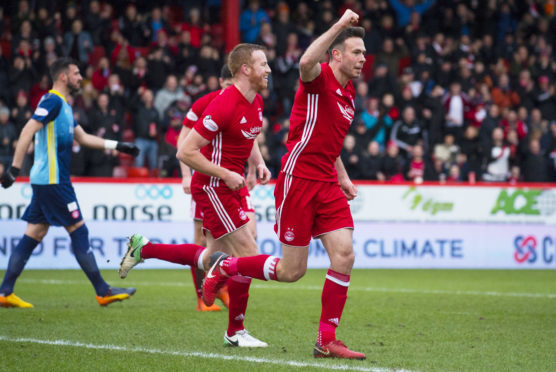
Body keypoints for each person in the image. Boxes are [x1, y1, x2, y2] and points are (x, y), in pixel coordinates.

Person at [202, 10, 366, 359]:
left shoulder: (349, 93)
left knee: (345, 254)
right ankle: (227, 266)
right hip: (299, 179)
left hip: (326, 182)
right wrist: (339, 25)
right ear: (337, 54)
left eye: (364, 53)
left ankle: (326, 339)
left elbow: (328, 140)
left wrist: (342, 176)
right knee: (292, 271)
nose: (363, 59)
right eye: (356, 52)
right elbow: (305, 60)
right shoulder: (319, 77)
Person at [119, 44, 272, 347]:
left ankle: (143, 249)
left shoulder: (256, 102)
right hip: (216, 187)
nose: (269, 69)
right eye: (263, 64)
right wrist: (224, 173)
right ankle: (235, 332)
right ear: (245, 69)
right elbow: (185, 150)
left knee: (210, 258)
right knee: (249, 254)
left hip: (231, 186)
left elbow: (249, 136)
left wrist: (258, 164)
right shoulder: (222, 104)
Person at [0, 58, 140, 308]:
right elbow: (27, 130)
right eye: (76, 74)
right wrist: (14, 168)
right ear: (63, 77)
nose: (80, 77)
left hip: (49, 181)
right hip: (53, 181)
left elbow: (83, 137)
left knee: (35, 232)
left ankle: (4, 292)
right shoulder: (52, 101)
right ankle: (103, 290)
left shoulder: (63, 106)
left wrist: (118, 146)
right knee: (79, 229)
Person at [177, 64, 258, 312]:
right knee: (204, 242)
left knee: (246, 237)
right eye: (225, 86)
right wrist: (186, 175)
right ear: (223, 81)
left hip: (233, 180)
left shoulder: (250, 100)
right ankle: (203, 295)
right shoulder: (206, 104)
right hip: (208, 180)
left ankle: (220, 285)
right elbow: (184, 141)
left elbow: (250, 137)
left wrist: (255, 168)